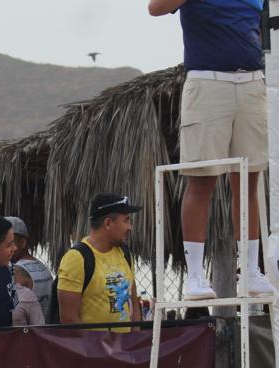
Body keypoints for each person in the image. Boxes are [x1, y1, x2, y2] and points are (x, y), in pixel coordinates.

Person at [149, 0, 269, 300]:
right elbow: (155, 7)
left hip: (253, 81)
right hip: (207, 81)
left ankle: (251, 271)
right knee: (202, 178)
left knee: (249, 180)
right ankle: (195, 276)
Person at [56, 193, 142, 327]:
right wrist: (96, 347)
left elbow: (134, 305)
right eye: (126, 220)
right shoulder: (76, 258)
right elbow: (69, 319)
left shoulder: (125, 253)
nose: (130, 227)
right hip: (93, 347)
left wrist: (134, 342)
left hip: (125, 346)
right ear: (108, 223)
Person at [7, 216, 53, 318]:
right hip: (45, 329)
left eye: (9, 242)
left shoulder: (17, 271)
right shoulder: (42, 266)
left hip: (29, 332)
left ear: (23, 243)